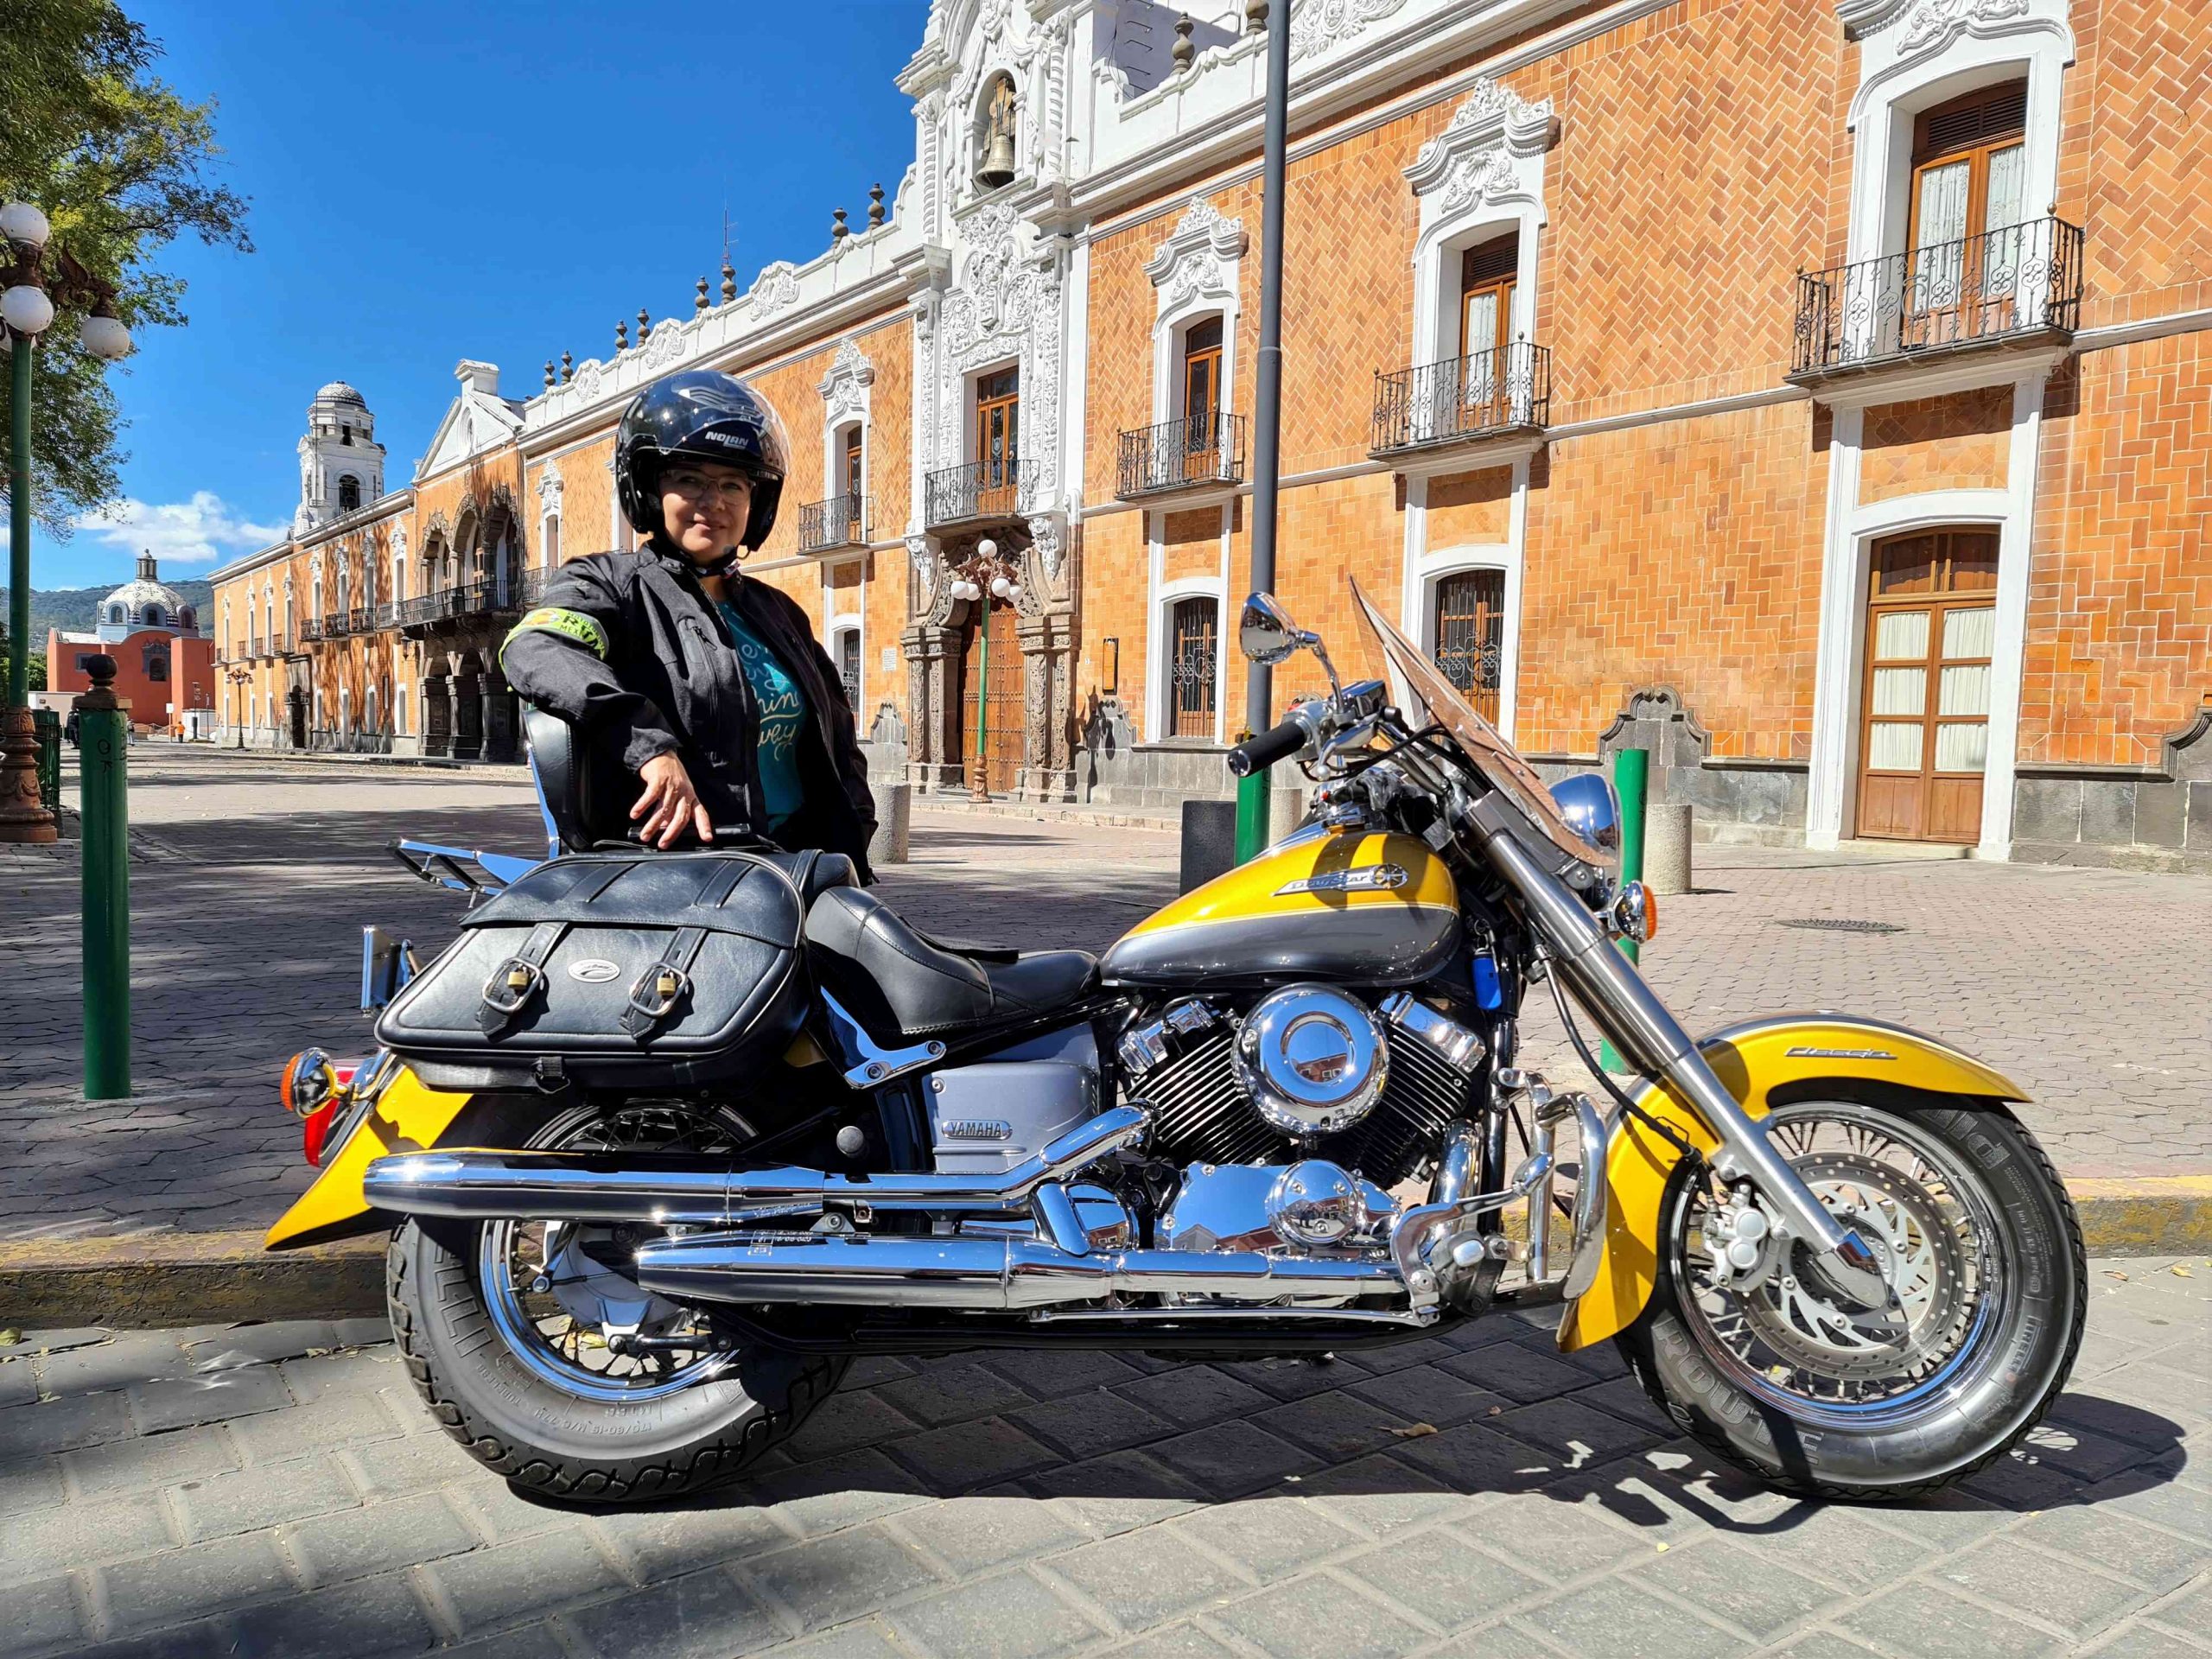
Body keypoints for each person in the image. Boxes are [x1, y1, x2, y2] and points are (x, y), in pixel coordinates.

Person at [500, 369, 877, 876]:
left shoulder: (779, 612)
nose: (714, 502)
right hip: (677, 874)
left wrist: (854, 831)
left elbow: (838, 737)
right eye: (689, 480)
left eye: (731, 484)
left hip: (797, 872)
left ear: (756, 501)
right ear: (650, 490)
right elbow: (537, 648)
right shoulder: (610, 585)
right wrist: (649, 746)